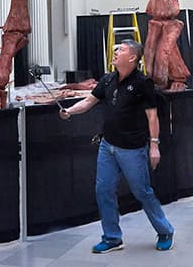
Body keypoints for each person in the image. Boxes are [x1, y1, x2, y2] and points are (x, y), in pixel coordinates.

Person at [59, 40, 174, 253]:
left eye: (120, 49)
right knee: (103, 190)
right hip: (107, 146)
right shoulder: (108, 79)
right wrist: (70, 111)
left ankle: (165, 230)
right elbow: (88, 102)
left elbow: (152, 116)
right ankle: (112, 238)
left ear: (132, 57)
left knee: (142, 192)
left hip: (132, 149)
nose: (115, 51)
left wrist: (154, 145)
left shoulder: (142, 83)